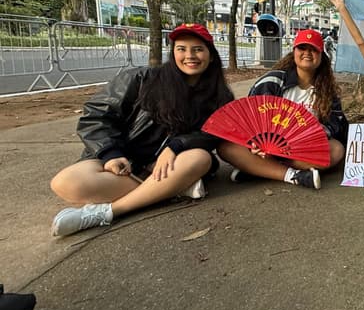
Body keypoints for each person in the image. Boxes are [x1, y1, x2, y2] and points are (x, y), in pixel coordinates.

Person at [50, 24, 234, 237]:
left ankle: (108, 212)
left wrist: (176, 146)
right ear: (173, 52)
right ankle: (168, 190)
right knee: (65, 183)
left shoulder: (220, 96)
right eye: (182, 49)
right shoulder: (141, 79)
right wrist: (111, 154)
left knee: (200, 159)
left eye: (198, 49)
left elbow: (213, 134)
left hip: (173, 165)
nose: (190, 56)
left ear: (211, 56)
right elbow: (97, 115)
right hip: (122, 164)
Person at [218, 28, 348, 190]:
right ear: (294, 52)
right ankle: (293, 175)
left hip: (303, 148)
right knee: (226, 147)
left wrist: (315, 133)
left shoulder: (328, 91)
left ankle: (258, 169)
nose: (307, 53)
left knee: (336, 150)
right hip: (265, 148)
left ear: (322, 56)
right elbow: (251, 117)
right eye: (302, 48)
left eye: (313, 49)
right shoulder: (272, 81)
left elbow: (335, 124)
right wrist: (254, 143)